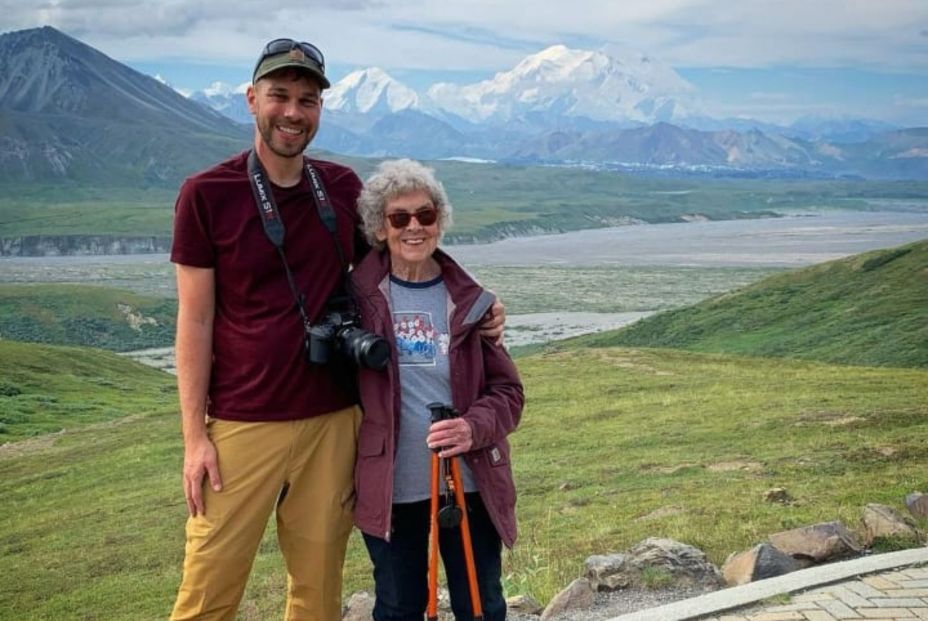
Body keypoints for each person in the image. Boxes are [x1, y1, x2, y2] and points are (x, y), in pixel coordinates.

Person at [169, 38, 504, 621]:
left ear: (321, 109)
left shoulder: (342, 189)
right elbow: (194, 321)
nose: (293, 113)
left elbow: (407, 255)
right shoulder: (206, 195)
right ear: (252, 99)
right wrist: (195, 437)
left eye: (308, 99)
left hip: (333, 422)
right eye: (280, 96)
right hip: (243, 423)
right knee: (208, 589)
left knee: (319, 591)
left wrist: (480, 307)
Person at [351, 159, 524, 621]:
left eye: (425, 216)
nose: (414, 227)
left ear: (439, 221)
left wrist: (472, 428)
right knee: (398, 607)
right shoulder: (354, 298)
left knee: (480, 604)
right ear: (379, 227)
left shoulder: (470, 301)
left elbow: (509, 393)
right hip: (391, 485)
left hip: (468, 482)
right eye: (399, 217)